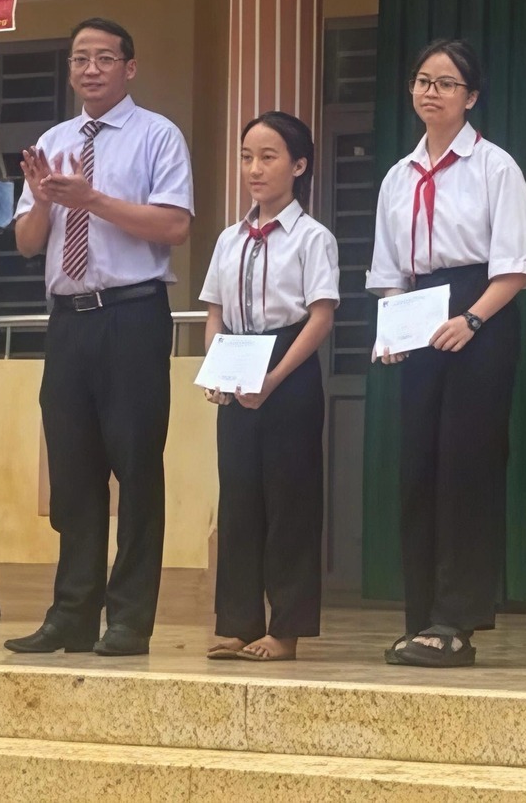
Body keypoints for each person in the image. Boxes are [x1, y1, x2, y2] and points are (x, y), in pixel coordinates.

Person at [5, 18, 193, 658]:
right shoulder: (52, 142)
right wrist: (42, 201)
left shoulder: (158, 135)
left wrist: (92, 199)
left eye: (104, 58)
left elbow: (174, 227)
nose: (90, 69)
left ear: (129, 68)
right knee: (72, 471)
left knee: (136, 467)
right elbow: (27, 244)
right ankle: (72, 614)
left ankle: (129, 618)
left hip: (132, 314)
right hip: (68, 321)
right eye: (80, 58)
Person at [370, 39, 526, 668]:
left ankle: (456, 622)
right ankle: (421, 618)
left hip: (480, 312)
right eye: (422, 80)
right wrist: (393, 330)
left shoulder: (496, 167)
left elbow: (515, 267)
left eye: (445, 83)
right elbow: (390, 271)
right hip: (419, 312)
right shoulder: (397, 176)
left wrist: (470, 319)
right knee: (418, 466)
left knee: (467, 468)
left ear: (471, 96)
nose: (430, 91)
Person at [200, 112, 338, 662]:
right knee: (238, 499)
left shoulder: (313, 237)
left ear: (298, 166)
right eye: (246, 157)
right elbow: (214, 312)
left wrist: (275, 378)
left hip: (289, 364)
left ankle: (286, 629)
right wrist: (217, 369)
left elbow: (321, 316)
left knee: (289, 501)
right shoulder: (228, 239)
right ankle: (238, 622)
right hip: (237, 358)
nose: (254, 169)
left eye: (268, 157)